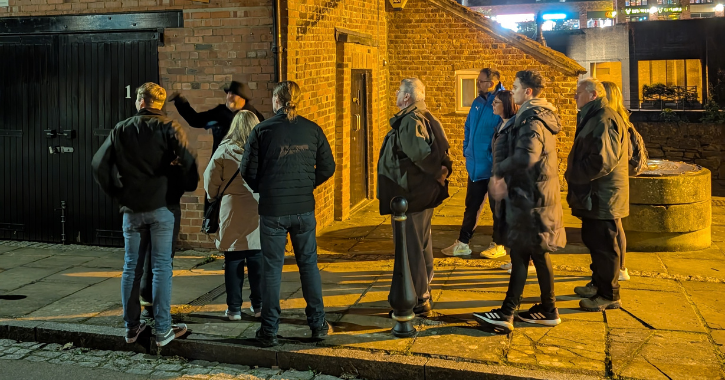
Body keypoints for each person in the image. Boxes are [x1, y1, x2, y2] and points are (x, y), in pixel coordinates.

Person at [92, 82, 196, 347]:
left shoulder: (121, 128)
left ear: (140, 101)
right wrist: (180, 184)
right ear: (159, 103)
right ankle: (162, 331)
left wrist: (118, 193)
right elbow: (188, 165)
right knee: (162, 268)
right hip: (162, 207)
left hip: (132, 211)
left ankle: (131, 329)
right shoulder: (170, 127)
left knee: (131, 269)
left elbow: (98, 165)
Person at [241, 81, 336, 347]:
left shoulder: (262, 130)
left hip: (273, 210)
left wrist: (266, 188)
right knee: (309, 266)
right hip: (303, 209)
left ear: (276, 101)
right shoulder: (312, 129)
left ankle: (269, 330)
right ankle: (318, 324)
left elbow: (247, 170)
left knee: (272, 270)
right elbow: (328, 166)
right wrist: (306, 183)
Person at [473, 70, 566, 333]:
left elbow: (527, 156)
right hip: (536, 197)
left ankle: (507, 312)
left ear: (527, 92)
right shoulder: (535, 116)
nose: (511, 91)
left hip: (531, 199)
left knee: (521, 254)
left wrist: (500, 171)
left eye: (515, 87)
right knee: (537, 253)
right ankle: (548, 309)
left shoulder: (532, 120)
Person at [378, 78, 452, 318]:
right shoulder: (425, 115)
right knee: (421, 245)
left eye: (399, 91)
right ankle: (423, 289)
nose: (396, 94)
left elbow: (421, 154)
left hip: (411, 195)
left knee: (411, 247)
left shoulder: (410, 120)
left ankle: (419, 298)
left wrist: (438, 173)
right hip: (420, 195)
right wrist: (441, 171)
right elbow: (442, 148)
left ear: (407, 97)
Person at [567, 78, 629, 312]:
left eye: (579, 93)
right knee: (594, 241)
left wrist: (575, 174)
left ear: (593, 95)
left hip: (603, 196)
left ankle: (609, 294)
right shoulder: (594, 116)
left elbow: (603, 160)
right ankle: (598, 284)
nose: (575, 97)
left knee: (605, 245)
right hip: (596, 195)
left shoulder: (603, 118)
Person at [204, 111, 264, 321]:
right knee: (257, 259)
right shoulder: (262, 150)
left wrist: (214, 197)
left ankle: (234, 309)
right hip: (258, 207)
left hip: (231, 209)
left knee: (233, 259)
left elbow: (210, 181)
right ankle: (259, 306)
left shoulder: (223, 151)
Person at [442, 68, 506, 259]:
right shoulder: (478, 102)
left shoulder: (503, 102)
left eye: (480, 82)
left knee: (498, 208)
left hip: (493, 167)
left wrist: (492, 156)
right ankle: (463, 242)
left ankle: (499, 244)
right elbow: (468, 126)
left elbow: (503, 131)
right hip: (476, 166)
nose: (477, 85)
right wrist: (467, 150)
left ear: (492, 84)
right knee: (471, 205)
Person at [139, 156, 199, 324]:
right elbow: (189, 185)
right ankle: (160, 311)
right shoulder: (174, 164)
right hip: (168, 209)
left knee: (147, 257)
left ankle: (147, 304)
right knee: (163, 262)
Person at [601, 80, 648, 282]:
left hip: (614, 182)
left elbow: (624, 155)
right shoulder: (617, 118)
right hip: (613, 181)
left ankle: (621, 268)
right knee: (610, 226)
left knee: (615, 225)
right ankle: (612, 268)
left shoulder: (616, 120)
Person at [488, 91, 536, 274]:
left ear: (507, 105)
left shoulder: (514, 125)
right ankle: (514, 258)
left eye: (497, 102)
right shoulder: (501, 124)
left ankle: (527, 262)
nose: (493, 105)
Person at [169, 81, 265, 154]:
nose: (228, 97)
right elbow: (196, 120)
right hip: (220, 166)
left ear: (243, 98)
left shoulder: (254, 116)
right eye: (228, 93)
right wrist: (180, 101)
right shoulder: (220, 113)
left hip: (243, 169)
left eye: (233, 94)